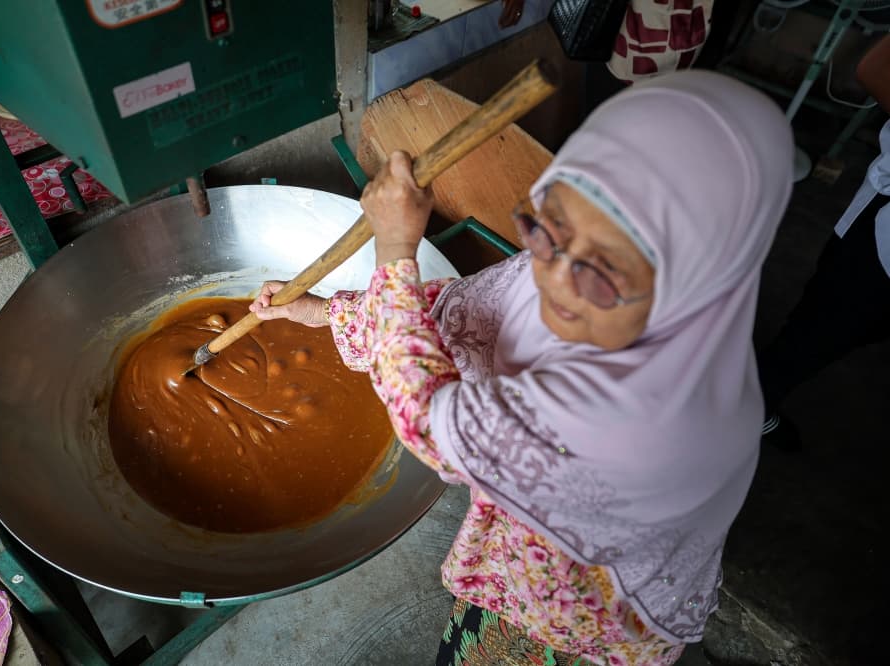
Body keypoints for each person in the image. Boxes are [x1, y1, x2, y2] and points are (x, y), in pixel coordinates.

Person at [251, 71, 793, 665]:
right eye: (547, 227)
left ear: (705, 264)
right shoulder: (604, 268)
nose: (553, 280)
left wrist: (395, 251)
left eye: (604, 269)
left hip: (583, 623)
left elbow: (429, 419)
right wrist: (326, 313)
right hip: (520, 553)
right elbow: (461, 312)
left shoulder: (645, 417)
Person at [758, 33, 890, 451]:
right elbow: (876, 68)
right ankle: (749, 405)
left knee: (857, 330)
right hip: (882, 237)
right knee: (820, 331)